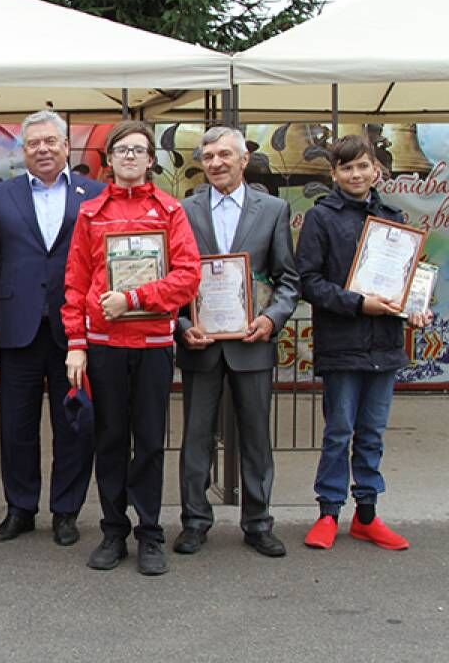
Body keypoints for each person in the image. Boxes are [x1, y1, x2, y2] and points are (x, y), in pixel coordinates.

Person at [63, 120, 200, 576]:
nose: (129, 156)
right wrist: (76, 345)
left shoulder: (170, 211)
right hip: (103, 345)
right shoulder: (90, 214)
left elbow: (187, 276)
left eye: (138, 150)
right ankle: (112, 530)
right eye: (121, 149)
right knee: (110, 440)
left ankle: (150, 533)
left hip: (154, 344)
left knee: (149, 441)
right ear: (111, 158)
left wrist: (135, 299)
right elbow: (75, 284)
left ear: (149, 160)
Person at [295, 134, 432, 552]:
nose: (356, 174)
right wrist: (359, 304)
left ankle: (367, 516)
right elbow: (309, 282)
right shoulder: (321, 218)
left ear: (377, 169)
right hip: (342, 342)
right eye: (347, 168)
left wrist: (416, 306)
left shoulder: (394, 217)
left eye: (363, 166)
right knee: (339, 432)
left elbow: (409, 279)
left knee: (372, 433)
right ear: (334, 173)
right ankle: (327, 513)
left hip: (385, 344)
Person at [0, 110, 104, 545]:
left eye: (51, 141)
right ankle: (20, 508)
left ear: (67, 147)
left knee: (72, 425)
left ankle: (66, 511)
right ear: (22, 151)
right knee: (16, 425)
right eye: (34, 143)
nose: (43, 149)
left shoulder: (94, 194)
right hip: (17, 329)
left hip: (75, 333)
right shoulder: (1, 196)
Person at [174, 126, 299, 559]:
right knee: (196, 438)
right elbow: (172, 279)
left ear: (244, 159)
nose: (216, 163)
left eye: (225, 155)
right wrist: (180, 323)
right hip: (201, 342)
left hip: (252, 341)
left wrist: (271, 318)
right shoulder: (183, 211)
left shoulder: (274, 210)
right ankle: (194, 521)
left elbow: (289, 279)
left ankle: (258, 522)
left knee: (255, 437)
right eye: (208, 157)